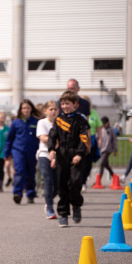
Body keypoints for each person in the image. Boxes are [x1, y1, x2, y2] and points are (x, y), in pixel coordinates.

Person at [48, 90, 90, 228]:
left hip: (76, 155)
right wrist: (52, 150)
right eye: (63, 104)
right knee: (62, 185)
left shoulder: (81, 120)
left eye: (68, 104)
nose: (65, 106)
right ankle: (64, 215)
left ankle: (76, 206)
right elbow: (52, 136)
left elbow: (84, 138)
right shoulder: (59, 119)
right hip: (62, 155)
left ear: (75, 104)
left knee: (75, 182)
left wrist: (79, 154)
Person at [4, 99, 41, 204]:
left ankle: (30, 193)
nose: (26, 110)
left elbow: (39, 138)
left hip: (32, 151)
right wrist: (6, 153)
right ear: (21, 110)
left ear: (31, 109)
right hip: (18, 151)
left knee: (31, 173)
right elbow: (9, 139)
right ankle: (17, 193)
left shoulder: (36, 122)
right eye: (24, 108)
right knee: (20, 171)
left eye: (28, 108)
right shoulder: (16, 122)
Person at [36, 100, 59, 219]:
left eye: (55, 109)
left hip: (58, 156)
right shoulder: (42, 123)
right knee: (48, 180)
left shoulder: (60, 123)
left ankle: (48, 199)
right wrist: (56, 142)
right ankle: (50, 208)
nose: (53, 111)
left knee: (57, 184)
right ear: (45, 111)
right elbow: (43, 138)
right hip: (44, 155)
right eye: (51, 109)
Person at [81, 95, 103, 192]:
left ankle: (84, 180)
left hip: (92, 139)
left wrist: (100, 139)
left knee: (88, 163)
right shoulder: (79, 113)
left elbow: (99, 127)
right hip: (81, 139)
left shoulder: (93, 113)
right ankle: (79, 181)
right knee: (81, 162)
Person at [98, 116, 118, 180]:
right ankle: (114, 177)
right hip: (102, 149)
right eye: (102, 124)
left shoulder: (111, 130)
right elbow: (97, 137)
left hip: (108, 150)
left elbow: (114, 140)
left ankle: (98, 180)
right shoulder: (101, 129)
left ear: (108, 122)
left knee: (101, 164)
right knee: (106, 165)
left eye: (104, 123)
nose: (103, 125)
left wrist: (115, 150)